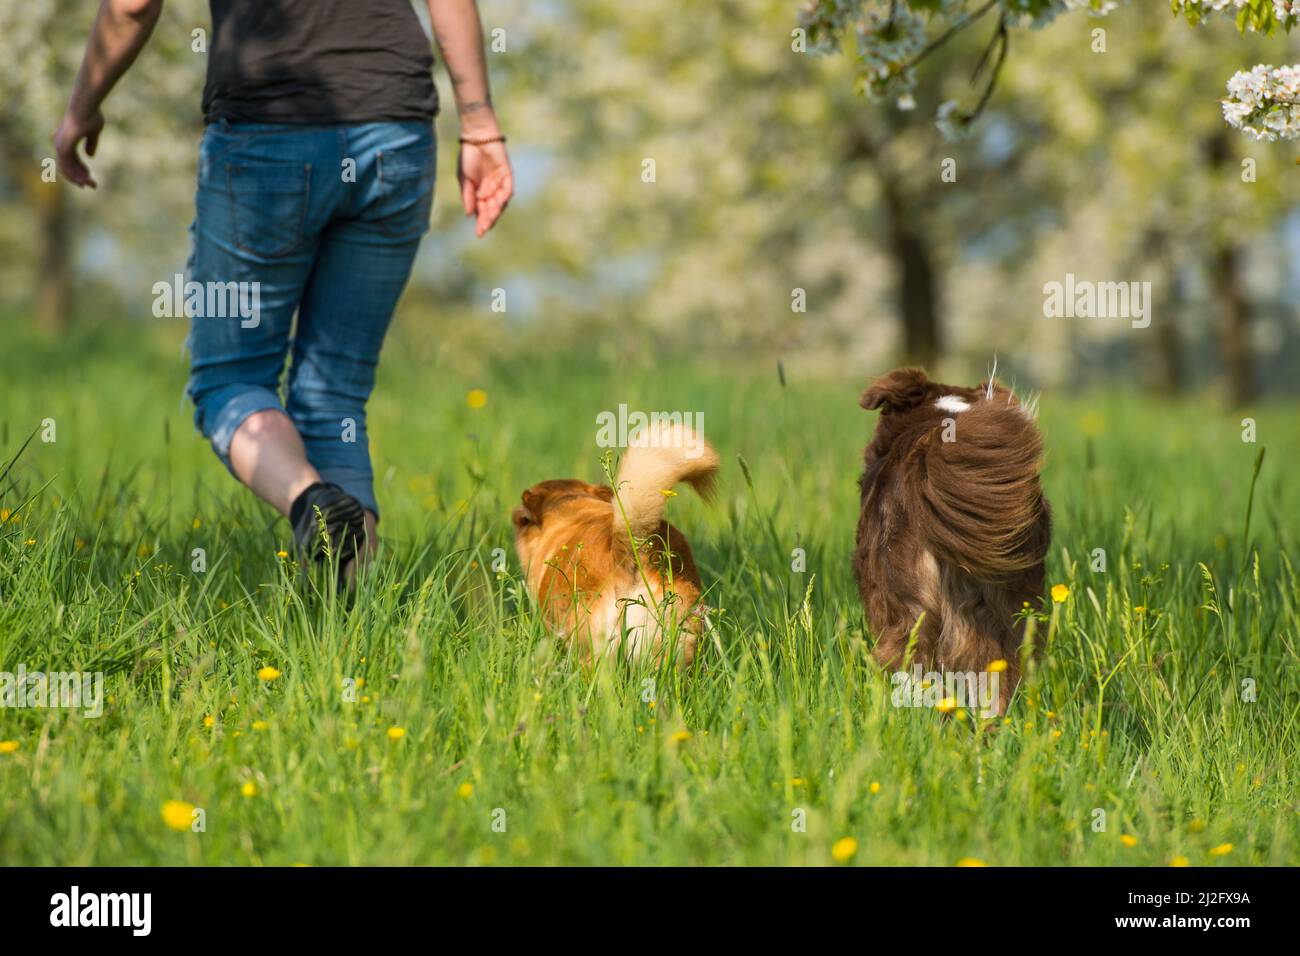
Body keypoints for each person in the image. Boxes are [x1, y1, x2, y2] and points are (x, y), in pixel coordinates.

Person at [54, 0, 513, 581]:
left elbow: (132, 5)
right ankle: (351, 634)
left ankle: (306, 499)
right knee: (335, 396)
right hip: (396, 131)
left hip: (268, 134)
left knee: (231, 380)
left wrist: (81, 109)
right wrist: (479, 124)